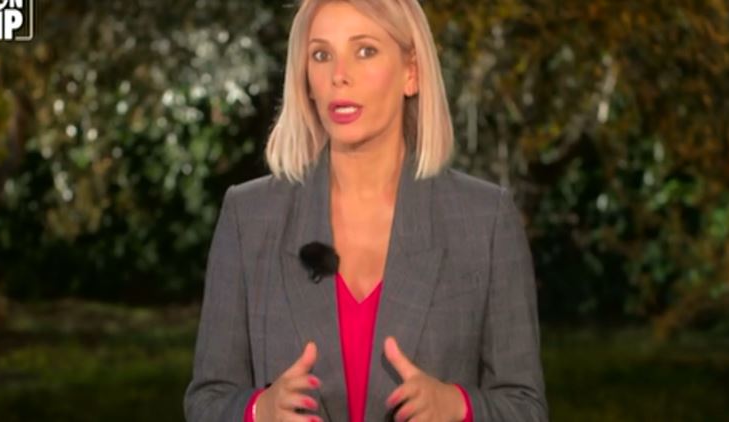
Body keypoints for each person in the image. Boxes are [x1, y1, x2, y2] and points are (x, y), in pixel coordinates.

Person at [183, 0, 548, 421]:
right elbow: (207, 401)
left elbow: (525, 407)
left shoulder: (485, 220)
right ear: (306, 80)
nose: (339, 75)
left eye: (365, 50)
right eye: (321, 55)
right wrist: (258, 410)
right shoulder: (248, 217)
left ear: (411, 71)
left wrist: (458, 406)